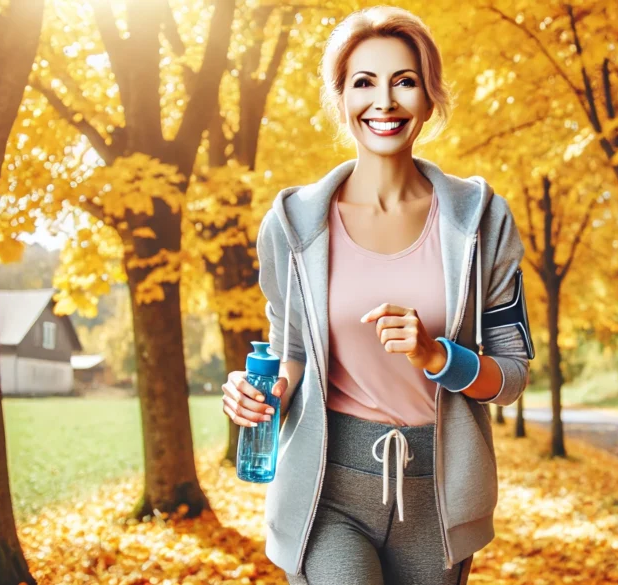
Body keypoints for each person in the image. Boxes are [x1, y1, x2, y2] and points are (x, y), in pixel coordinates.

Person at [221, 6, 535, 584]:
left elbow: (512, 378)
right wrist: (261, 393)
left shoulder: (481, 221)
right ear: (339, 98)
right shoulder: (293, 225)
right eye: (364, 82)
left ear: (429, 96)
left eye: (404, 81)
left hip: (438, 500)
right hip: (326, 490)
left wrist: (437, 356)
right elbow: (289, 354)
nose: (384, 102)